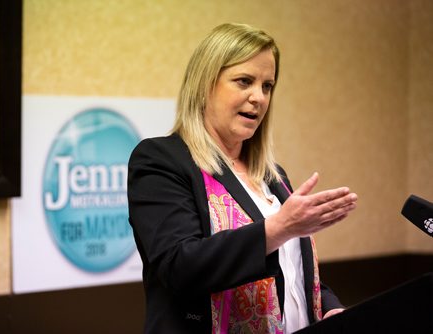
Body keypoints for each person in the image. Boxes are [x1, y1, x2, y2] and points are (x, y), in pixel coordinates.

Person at [127, 23, 358, 334]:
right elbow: (178, 267)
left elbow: (291, 271)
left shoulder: (272, 176)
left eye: (267, 86)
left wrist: (330, 308)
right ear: (205, 84)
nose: (259, 98)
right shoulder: (161, 160)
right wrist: (278, 228)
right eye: (244, 81)